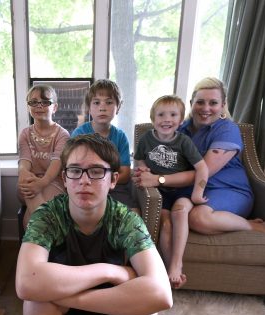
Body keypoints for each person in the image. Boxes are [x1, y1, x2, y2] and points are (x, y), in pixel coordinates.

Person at [15, 134, 173, 315]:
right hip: (58, 313)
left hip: (110, 306)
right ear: (64, 178)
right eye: (75, 171)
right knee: (35, 301)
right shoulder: (47, 215)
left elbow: (161, 294)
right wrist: (108, 271)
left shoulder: (125, 220)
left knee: (146, 307)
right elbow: (26, 283)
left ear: (113, 180)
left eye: (96, 171)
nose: (84, 180)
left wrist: (69, 297)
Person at [132, 77, 265, 260]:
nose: (205, 108)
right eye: (200, 102)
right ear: (191, 103)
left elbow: (202, 172)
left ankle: (256, 226)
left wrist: (159, 180)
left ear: (223, 105)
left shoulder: (227, 130)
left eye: (213, 103)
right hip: (190, 192)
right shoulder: (180, 128)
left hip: (228, 189)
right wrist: (144, 169)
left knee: (198, 218)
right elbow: (155, 155)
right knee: (179, 214)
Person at [134, 95, 208, 289]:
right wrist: (142, 168)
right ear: (153, 119)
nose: (167, 119)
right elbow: (139, 159)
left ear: (181, 120)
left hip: (183, 191)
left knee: (180, 213)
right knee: (166, 225)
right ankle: (169, 272)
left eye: (173, 115)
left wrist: (198, 192)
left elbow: (202, 167)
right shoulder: (146, 139)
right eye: (161, 115)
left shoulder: (183, 141)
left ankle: (177, 264)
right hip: (162, 192)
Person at [71, 79, 139, 211]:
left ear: (118, 107)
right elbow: (74, 170)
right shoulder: (79, 134)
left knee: (135, 213)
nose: (102, 108)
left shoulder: (120, 137)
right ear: (89, 107)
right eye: (96, 103)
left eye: (109, 102)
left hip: (114, 187)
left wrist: (104, 182)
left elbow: (125, 174)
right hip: (85, 187)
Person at [18, 85, 70, 226]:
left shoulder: (62, 134)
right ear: (28, 106)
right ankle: (51, 229)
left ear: (55, 107)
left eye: (45, 102)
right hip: (29, 183)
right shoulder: (25, 134)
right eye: (34, 102)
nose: (39, 106)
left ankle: (37, 235)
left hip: (53, 182)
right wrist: (23, 172)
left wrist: (41, 183)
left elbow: (56, 163)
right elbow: (24, 161)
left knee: (32, 216)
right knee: (28, 183)